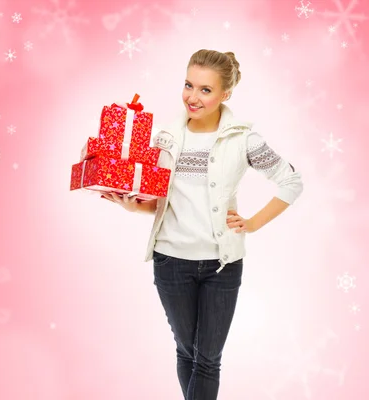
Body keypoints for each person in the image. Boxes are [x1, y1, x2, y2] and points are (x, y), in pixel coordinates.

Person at [102, 49, 303, 400]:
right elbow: (164, 202)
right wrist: (135, 206)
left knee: (207, 359)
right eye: (188, 85)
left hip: (221, 265)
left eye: (205, 90)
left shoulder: (243, 139)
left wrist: (252, 223)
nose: (193, 97)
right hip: (171, 262)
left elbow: (292, 182)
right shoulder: (165, 137)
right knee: (187, 352)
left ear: (226, 94)